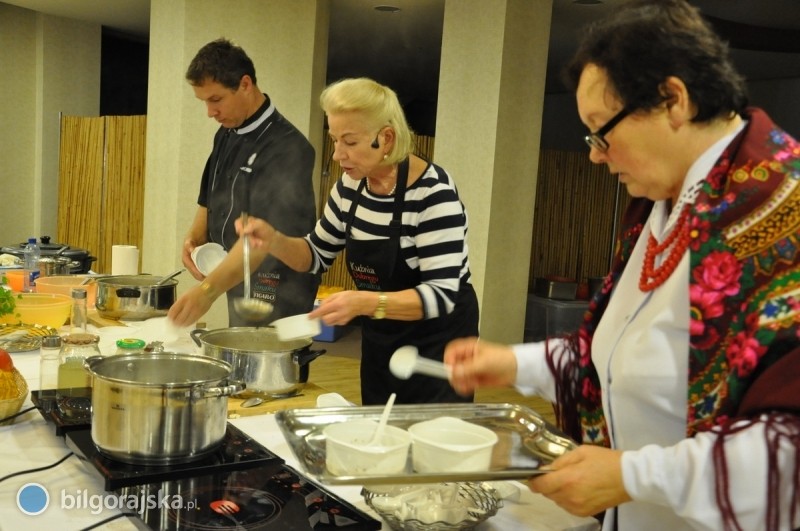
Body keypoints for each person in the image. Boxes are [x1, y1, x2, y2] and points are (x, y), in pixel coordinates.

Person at [444, 1, 800, 529]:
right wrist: (515, 364)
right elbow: (622, 359)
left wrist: (634, 476)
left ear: (672, 100)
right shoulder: (658, 211)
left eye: (600, 130)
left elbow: (789, 454)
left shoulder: (783, 214)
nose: (594, 153)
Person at [237, 77, 479, 405]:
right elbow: (315, 253)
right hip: (383, 338)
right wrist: (275, 240)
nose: (337, 154)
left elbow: (441, 296)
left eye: (349, 142)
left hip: (438, 347)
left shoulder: (433, 195)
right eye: (335, 140)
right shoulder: (351, 188)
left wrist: (363, 303)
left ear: (387, 138)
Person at [168, 38, 319, 328]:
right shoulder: (225, 133)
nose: (210, 112)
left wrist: (207, 291)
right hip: (235, 273)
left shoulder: (289, 148)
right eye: (204, 102)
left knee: (271, 366)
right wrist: (194, 237)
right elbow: (208, 196)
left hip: (277, 285)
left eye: (216, 100)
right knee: (240, 360)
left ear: (245, 84)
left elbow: (260, 241)